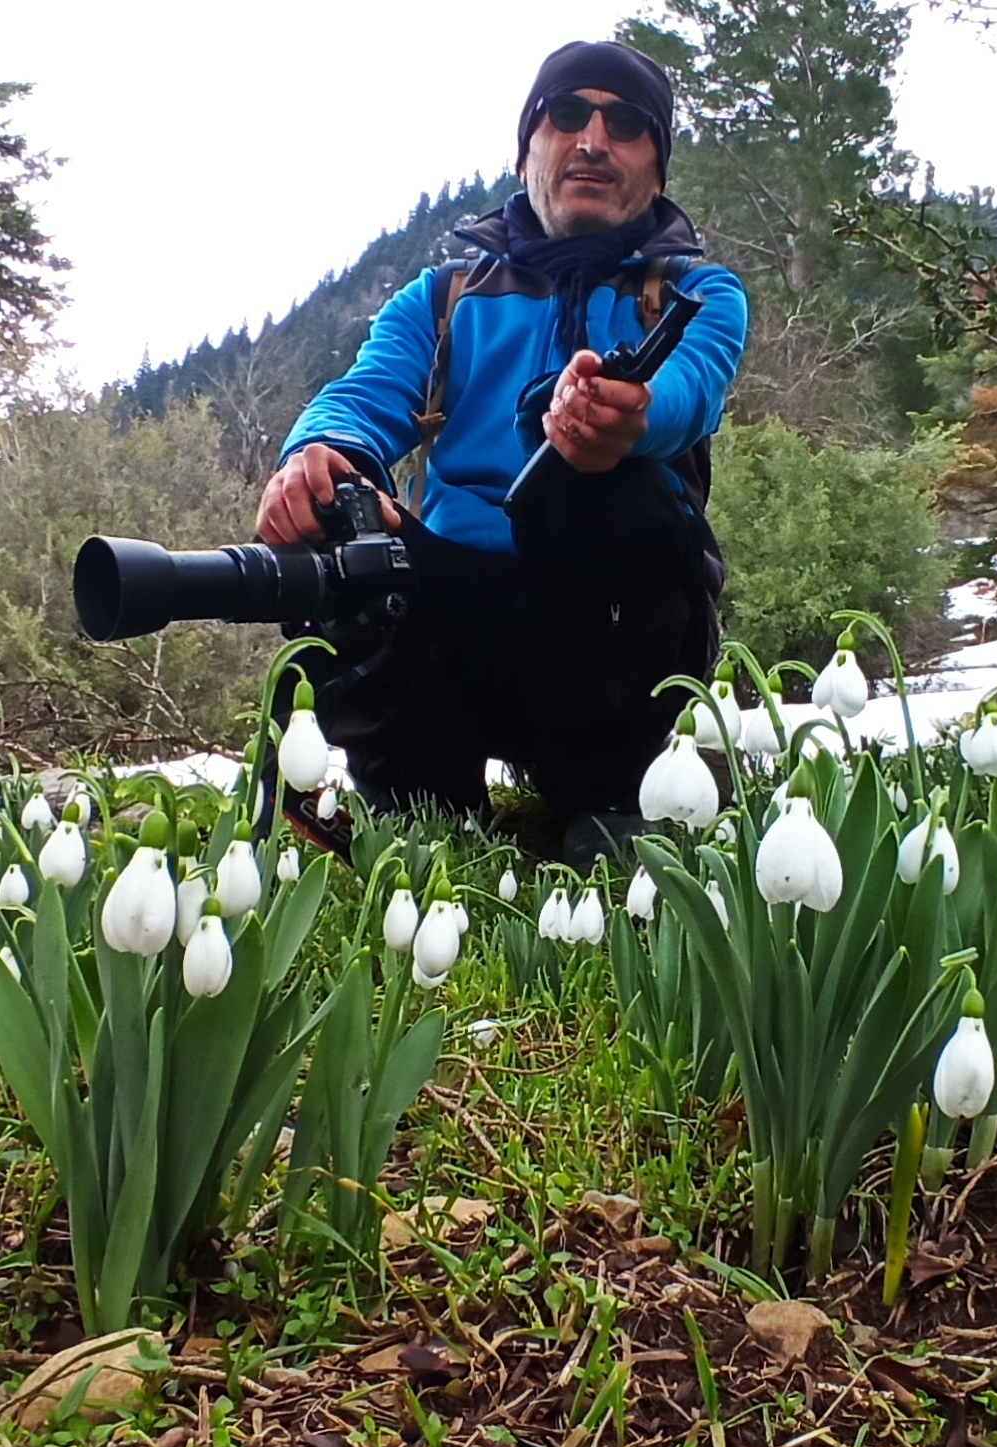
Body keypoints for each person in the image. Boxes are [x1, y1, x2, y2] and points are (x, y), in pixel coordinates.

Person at [259, 39, 748, 866]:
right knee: (351, 536)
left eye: (626, 125)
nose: (593, 139)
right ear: (528, 151)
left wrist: (624, 422)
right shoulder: (443, 296)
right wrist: (321, 451)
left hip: (618, 628)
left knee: (607, 488)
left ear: (656, 173)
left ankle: (617, 792)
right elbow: (367, 394)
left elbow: (690, 389)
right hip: (462, 601)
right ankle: (424, 805)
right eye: (567, 116)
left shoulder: (697, 294)